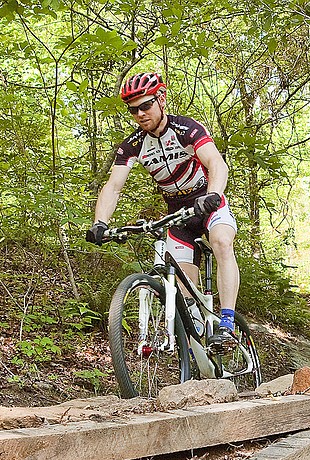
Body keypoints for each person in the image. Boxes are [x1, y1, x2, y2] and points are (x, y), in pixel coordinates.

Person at [86, 72, 240, 351]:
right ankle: (196, 335)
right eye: (134, 110)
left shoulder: (187, 130)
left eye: (146, 106)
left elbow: (217, 164)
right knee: (181, 280)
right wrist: (100, 223)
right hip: (177, 213)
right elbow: (113, 186)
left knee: (221, 241)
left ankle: (228, 322)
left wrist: (213, 195)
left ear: (161, 99)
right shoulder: (133, 144)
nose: (140, 114)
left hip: (207, 202)